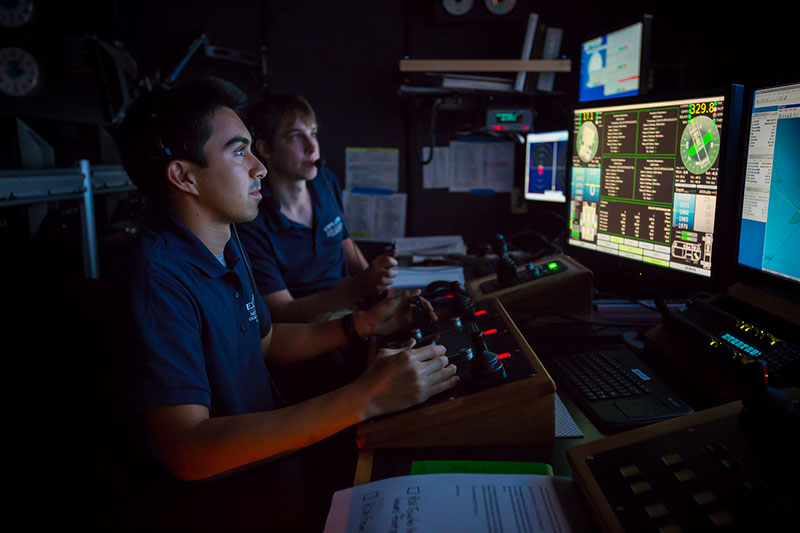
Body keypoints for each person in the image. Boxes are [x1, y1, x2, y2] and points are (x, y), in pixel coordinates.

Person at [106, 78, 459, 531]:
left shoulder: (224, 242)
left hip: (278, 474)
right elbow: (188, 451)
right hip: (229, 508)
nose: (258, 168)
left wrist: (361, 325)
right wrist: (362, 398)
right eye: (239, 151)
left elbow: (266, 341)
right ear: (183, 176)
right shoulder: (157, 281)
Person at [236, 94, 397, 324]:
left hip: (355, 310)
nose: (312, 147)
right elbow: (282, 311)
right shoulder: (251, 220)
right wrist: (360, 287)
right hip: (310, 330)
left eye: (313, 134)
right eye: (295, 137)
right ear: (265, 148)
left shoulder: (325, 181)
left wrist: (379, 285)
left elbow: (345, 245)